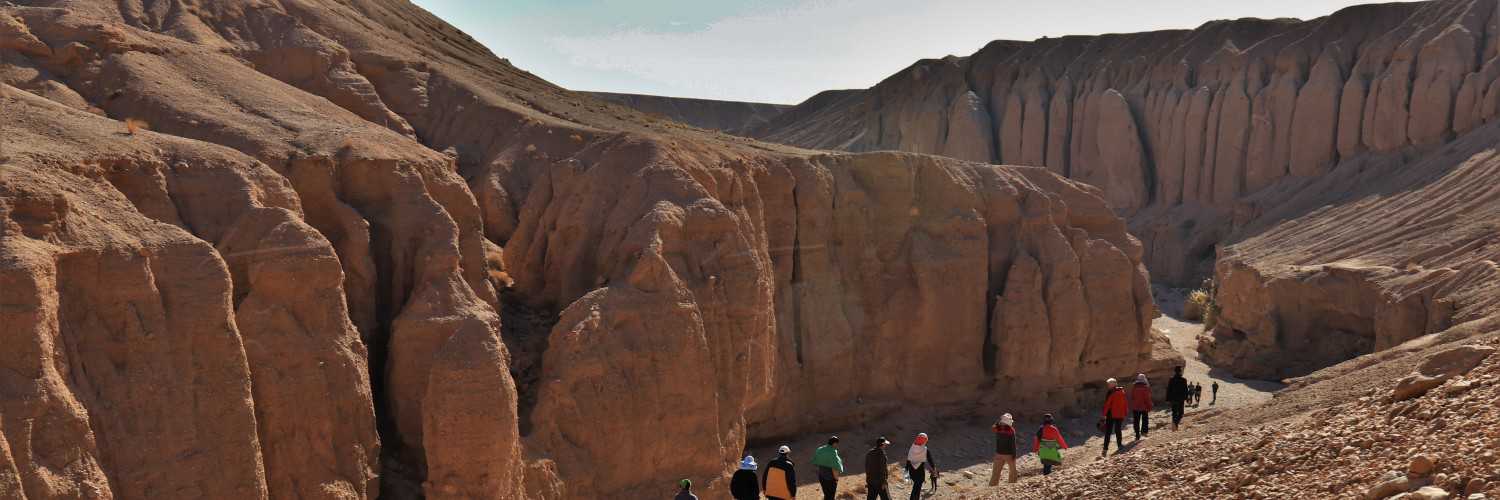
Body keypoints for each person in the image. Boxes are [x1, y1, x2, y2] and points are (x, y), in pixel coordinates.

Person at [904, 433, 938, 500]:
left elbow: (908, 460)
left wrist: (906, 472)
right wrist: (934, 468)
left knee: (915, 487)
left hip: (911, 471)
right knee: (917, 488)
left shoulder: (912, 448)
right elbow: (930, 459)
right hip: (919, 472)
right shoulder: (925, 449)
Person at [1101, 378, 1128, 457]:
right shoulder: (1122, 392)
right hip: (1120, 414)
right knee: (1118, 430)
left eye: (1108, 384)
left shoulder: (1111, 393)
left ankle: (1105, 449)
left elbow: (1107, 404)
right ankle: (1120, 445)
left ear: (1112, 385)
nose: (1107, 386)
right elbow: (1125, 403)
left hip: (1111, 414)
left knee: (1108, 432)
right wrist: (1125, 412)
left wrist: (1104, 415)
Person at [990, 413, 1019, 485]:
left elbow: (993, 427)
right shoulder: (1011, 430)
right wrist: (1014, 454)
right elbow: (1013, 443)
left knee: (995, 472)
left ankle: (992, 486)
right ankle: (1012, 485)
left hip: (998, 453)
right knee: (1013, 471)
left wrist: (998, 422)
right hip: (1009, 454)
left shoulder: (997, 428)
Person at [812, 436, 845, 500]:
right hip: (830, 478)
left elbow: (816, 461)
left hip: (821, 476)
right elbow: (835, 467)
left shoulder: (820, 449)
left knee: (826, 495)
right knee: (831, 496)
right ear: (834, 443)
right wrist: (836, 479)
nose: (837, 446)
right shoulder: (833, 452)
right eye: (837, 444)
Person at [1129, 373, 1153, 440]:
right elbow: (1147, 398)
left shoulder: (1134, 387)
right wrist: (1150, 405)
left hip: (1135, 407)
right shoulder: (1145, 387)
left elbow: (1132, 396)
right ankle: (1144, 432)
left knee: (1136, 421)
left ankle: (1137, 434)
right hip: (1144, 406)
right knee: (1145, 420)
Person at [1167, 366, 1188, 431]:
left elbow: (1169, 390)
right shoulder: (1183, 380)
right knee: (1181, 413)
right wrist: (1186, 398)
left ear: (1175, 371)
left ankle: (1174, 426)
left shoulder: (1171, 379)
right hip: (1180, 399)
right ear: (1180, 371)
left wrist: (1168, 399)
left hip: (1173, 399)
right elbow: (1185, 390)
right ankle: (1175, 424)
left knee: (1174, 412)